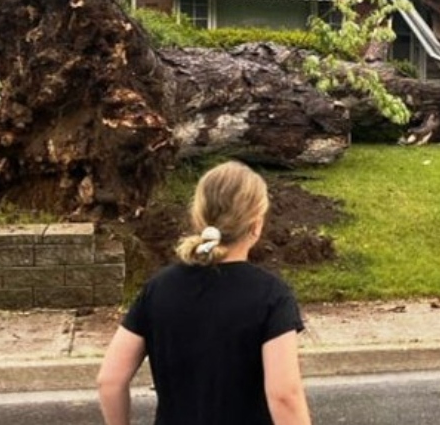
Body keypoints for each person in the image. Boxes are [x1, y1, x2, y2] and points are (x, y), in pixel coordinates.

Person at [97, 160, 312, 425]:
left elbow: (109, 381)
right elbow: (284, 396)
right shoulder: (271, 296)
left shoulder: (159, 288)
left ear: (198, 218)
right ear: (256, 225)